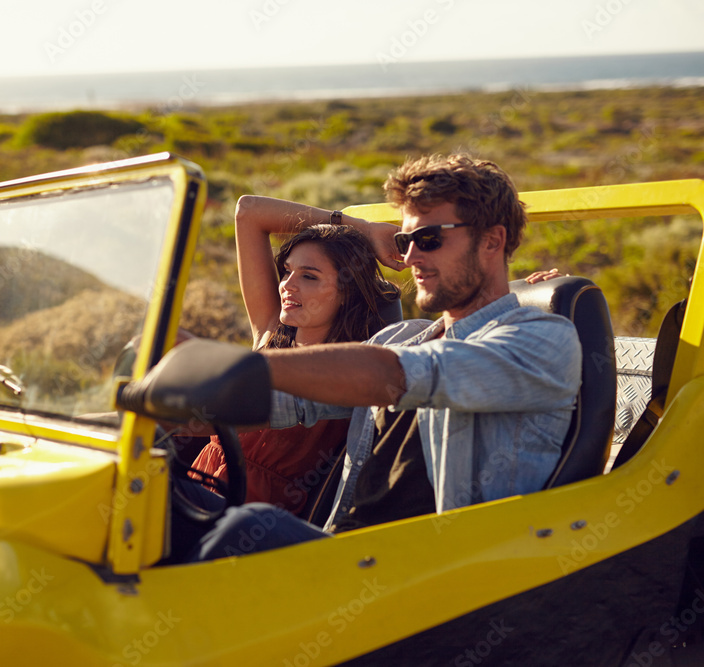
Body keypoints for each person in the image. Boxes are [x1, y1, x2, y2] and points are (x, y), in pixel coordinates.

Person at [184, 154, 582, 562]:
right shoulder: (404, 336)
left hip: (449, 574)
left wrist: (232, 367)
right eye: (404, 242)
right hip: (353, 552)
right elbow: (292, 403)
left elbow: (397, 374)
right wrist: (180, 403)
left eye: (428, 239)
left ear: (492, 241)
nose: (409, 259)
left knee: (239, 531)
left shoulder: (541, 338)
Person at [188, 198, 404, 516]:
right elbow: (247, 211)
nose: (287, 285)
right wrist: (363, 228)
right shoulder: (270, 334)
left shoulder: (353, 369)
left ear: (346, 292)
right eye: (287, 271)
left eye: (309, 276)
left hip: (254, 519)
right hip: (199, 492)